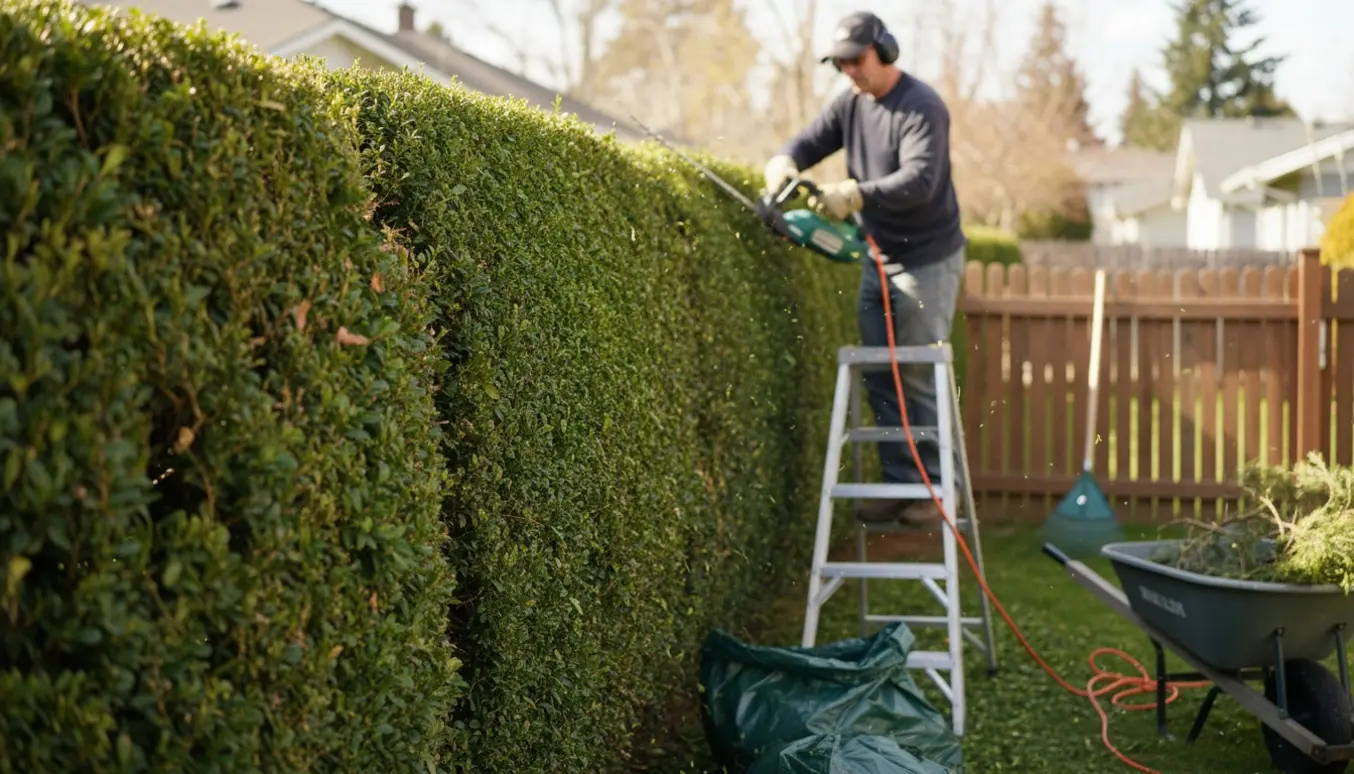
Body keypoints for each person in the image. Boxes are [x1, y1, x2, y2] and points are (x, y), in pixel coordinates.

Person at [764, 10, 966, 527]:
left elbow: (919, 180)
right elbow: (806, 143)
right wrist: (784, 164)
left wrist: (854, 193)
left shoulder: (921, 107)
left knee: (917, 370)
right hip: (878, 256)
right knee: (880, 370)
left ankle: (940, 491)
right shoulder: (851, 107)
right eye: (841, 64)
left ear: (886, 50)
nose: (849, 71)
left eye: (856, 60)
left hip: (928, 258)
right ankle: (904, 487)